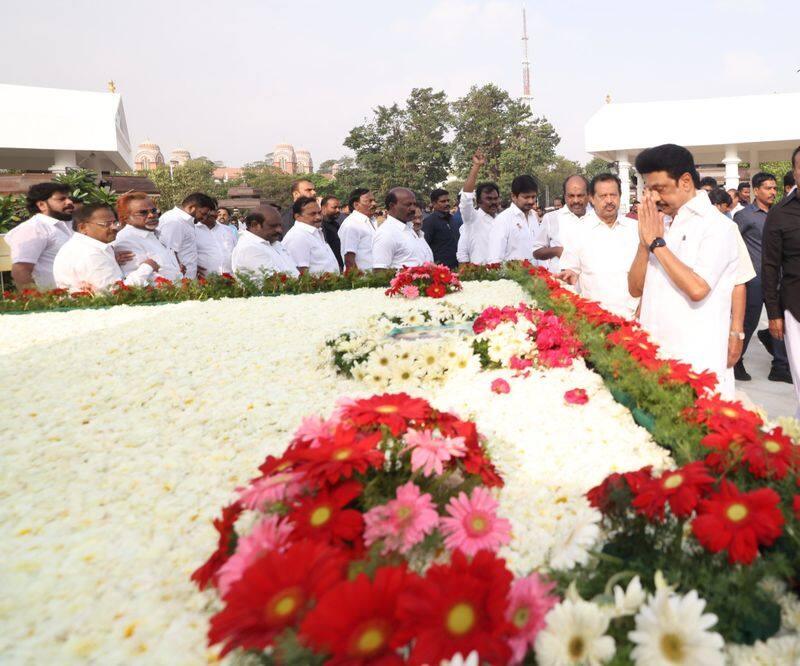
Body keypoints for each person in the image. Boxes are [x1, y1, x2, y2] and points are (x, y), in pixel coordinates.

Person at [628, 144, 739, 397]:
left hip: (696, 363)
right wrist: (645, 243)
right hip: (654, 354)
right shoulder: (660, 222)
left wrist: (657, 244)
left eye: (660, 189)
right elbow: (635, 289)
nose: (654, 198)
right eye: (649, 190)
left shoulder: (717, 226)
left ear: (686, 182)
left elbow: (697, 288)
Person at [732, 172, 791, 382]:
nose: (773, 192)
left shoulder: (780, 213)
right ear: (756, 190)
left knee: (781, 319)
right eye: (768, 188)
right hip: (754, 278)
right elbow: (733, 246)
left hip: (778, 277)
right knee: (749, 321)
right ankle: (736, 360)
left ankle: (780, 367)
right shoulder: (744, 216)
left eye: (775, 188)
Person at [559, 173, 639, 318]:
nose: (609, 200)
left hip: (633, 317)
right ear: (591, 198)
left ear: (620, 196)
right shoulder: (578, 231)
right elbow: (571, 270)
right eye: (603, 196)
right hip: (595, 320)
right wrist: (569, 274)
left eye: (613, 195)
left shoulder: (636, 229)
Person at [763, 146, 800, 416]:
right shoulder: (780, 213)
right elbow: (770, 266)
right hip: (795, 309)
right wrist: (774, 313)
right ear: (795, 172)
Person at [53, 203, 158, 292]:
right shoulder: (90, 254)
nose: (114, 228)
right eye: (106, 224)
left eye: (114, 223)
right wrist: (146, 268)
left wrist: (112, 260)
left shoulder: (82, 247)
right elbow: (116, 293)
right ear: (83, 227)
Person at [6, 183, 76, 290]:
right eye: (62, 199)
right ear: (42, 205)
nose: (70, 202)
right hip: (54, 301)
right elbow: (21, 271)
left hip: (82, 297)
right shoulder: (32, 229)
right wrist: (39, 302)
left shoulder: (71, 224)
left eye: (69, 198)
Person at [114, 192, 183, 282]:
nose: (151, 215)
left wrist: (176, 269)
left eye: (154, 211)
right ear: (126, 218)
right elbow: (134, 281)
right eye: (143, 213)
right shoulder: (127, 240)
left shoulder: (154, 233)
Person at [533, 175, 590, 273]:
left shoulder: (597, 217)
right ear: (565, 196)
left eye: (580, 195)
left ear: (589, 195)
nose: (576, 200)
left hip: (591, 284)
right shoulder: (551, 218)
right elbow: (536, 252)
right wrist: (557, 251)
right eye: (571, 196)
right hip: (560, 284)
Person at [457, 150, 501, 265]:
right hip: (479, 276)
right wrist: (476, 166)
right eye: (489, 199)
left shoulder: (502, 220)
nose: (493, 202)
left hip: (503, 276)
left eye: (495, 198)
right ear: (479, 201)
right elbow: (466, 197)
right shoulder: (472, 218)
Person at [157, 192, 215, 279]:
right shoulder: (174, 221)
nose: (204, 218)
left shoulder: (185, 222)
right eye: (203, 213)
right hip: (176, 280)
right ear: (192, 207)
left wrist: (194, 267)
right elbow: (168, 252)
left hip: (186, 279)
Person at [231, 206, 299, 278]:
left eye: (280, 225)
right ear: (254, 225)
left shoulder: (275, 243)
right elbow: (276, 282)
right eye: (273, 226)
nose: (279, 230)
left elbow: (294, 273)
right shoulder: (249, 249)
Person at [487, 174, 540, 264]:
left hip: (537, 276)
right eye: (526, 197)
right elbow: (495, 259)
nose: (531, 201)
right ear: (513, 196)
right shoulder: (503, 220)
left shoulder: (534, 216)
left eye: (533, 197)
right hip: (513, 277)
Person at [283, 196, 339, 275]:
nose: (318, 217)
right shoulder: (298, 236)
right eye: (312, 214)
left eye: (319, 213)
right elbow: (301, 273)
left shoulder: (315, 232)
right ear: (297, 216)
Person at [372, 188, 422, 270]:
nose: (413, 209)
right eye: (408, 205)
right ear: (392, 206)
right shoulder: (386, 234)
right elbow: (380, 271)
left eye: (414, 204)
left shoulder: (409, 228)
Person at [338, 188, 377, 271]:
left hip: (375, 279)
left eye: (374, 200)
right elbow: (349, 258)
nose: (374, 203)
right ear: (356, 205)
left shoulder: (372, 221)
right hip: (363, 280)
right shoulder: (352, 224)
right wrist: (357, 281)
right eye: (369, 201)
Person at [195, 203, 237, 276]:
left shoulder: (228, 231)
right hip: (205, 281)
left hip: (230, 279)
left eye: (212, 210)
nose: (210, 213)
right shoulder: (193, 231)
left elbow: (236, 253)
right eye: (207, 211)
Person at [422, 188, 460, 269]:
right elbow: (424, 246)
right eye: (443, 201)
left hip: (457, 266)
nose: (447, 203)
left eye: (448, 201)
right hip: (440, 270)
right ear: (433, 203)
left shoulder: (452, 219)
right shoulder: (429, 222)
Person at [320, 196, 344, 270]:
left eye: (339, 208)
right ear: (324, 208)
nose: (338, 210)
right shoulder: (320, 227)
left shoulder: (336, 224)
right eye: (334, 207)